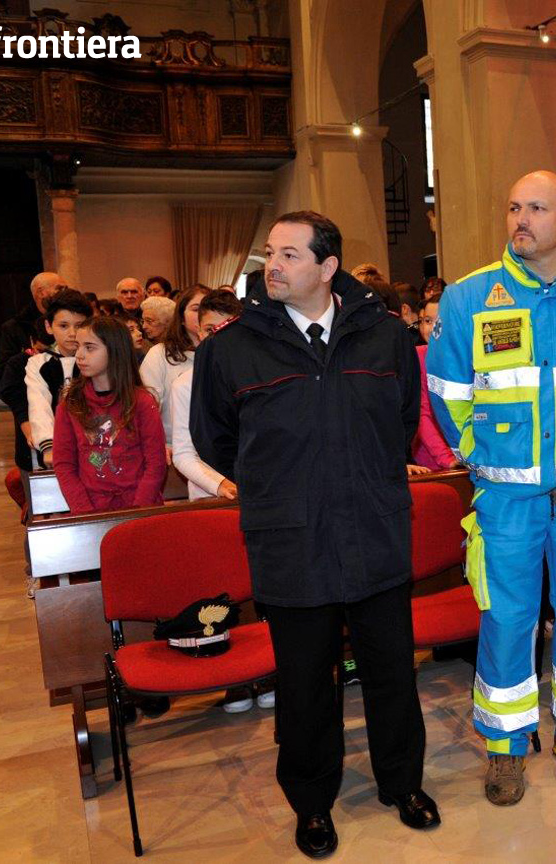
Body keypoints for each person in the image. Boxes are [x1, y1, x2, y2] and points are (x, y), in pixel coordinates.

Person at [192, 210, 437, 858]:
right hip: (291, 540)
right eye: (270, 253)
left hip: (374, 532)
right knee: (304, 685)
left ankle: (402, 783)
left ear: (328, 267)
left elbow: (402, 422)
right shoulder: (231, 348)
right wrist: (280, 486)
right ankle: (311, 802)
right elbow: (215, 440)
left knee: (391, 673)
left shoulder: (383, 337)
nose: (272, 266)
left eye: (290, 254)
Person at [429, 170, 556, 805]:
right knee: (507, 618)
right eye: (515, 207)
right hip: (506, 496)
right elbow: (447, 393)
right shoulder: (471, 298)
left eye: (538, 208)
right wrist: (478, 453)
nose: (521, 219)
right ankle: (506, 744)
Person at [52, 316, 166, 513]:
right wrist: (85, 513)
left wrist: (137, 511)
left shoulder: (142, 401)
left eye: (89, 347)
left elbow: (156, 463)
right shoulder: (70, 404)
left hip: (139, 507)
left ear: (114, 350)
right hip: (91, 508)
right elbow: (64, 465)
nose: (79, 355)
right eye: (78, 346)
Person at [172, 289, 240, 500]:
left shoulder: (254, 380)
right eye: (210, 330)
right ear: (199, 332)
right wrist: (219, 484)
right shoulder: (184, 385)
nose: (218, 338)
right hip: (208, 494)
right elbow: (183, 454)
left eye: (227, 329)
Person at [26, 289, 91, 468]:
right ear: (49, 326)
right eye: (63, 326)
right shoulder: (38, 363)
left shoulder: (98, 358)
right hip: (56, 447)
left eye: (79, 326)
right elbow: (38, 405)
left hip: (95, 445)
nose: (72, 333)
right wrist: (48, 446)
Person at [140, 285, 209, 446]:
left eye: (208, 308)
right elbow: (147, 409)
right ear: (181, 317)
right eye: (196, 309)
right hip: (173, 446)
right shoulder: (159, 354)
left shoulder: (225, 353)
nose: (203, 314)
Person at [0, 271, 63, 399]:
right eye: (59, 288)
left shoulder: (71, 323)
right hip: (33, 397)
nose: (65, 292)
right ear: (41, 292)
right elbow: (8, 372)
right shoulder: (14, 327)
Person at [409, 295, 457, 473]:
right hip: (428, 464)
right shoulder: (416, 357)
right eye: (427, 321)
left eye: (440, 321)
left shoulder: (468, 358)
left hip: (469, 458)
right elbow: (422, 414)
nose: (433, 328)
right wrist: (448, 459)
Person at [0, 318, 51, 471]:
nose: (44, 357)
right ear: (31, 341)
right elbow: (14, 398)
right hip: (30, 448)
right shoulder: (18, 364)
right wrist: (29, 431)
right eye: (41, 351)